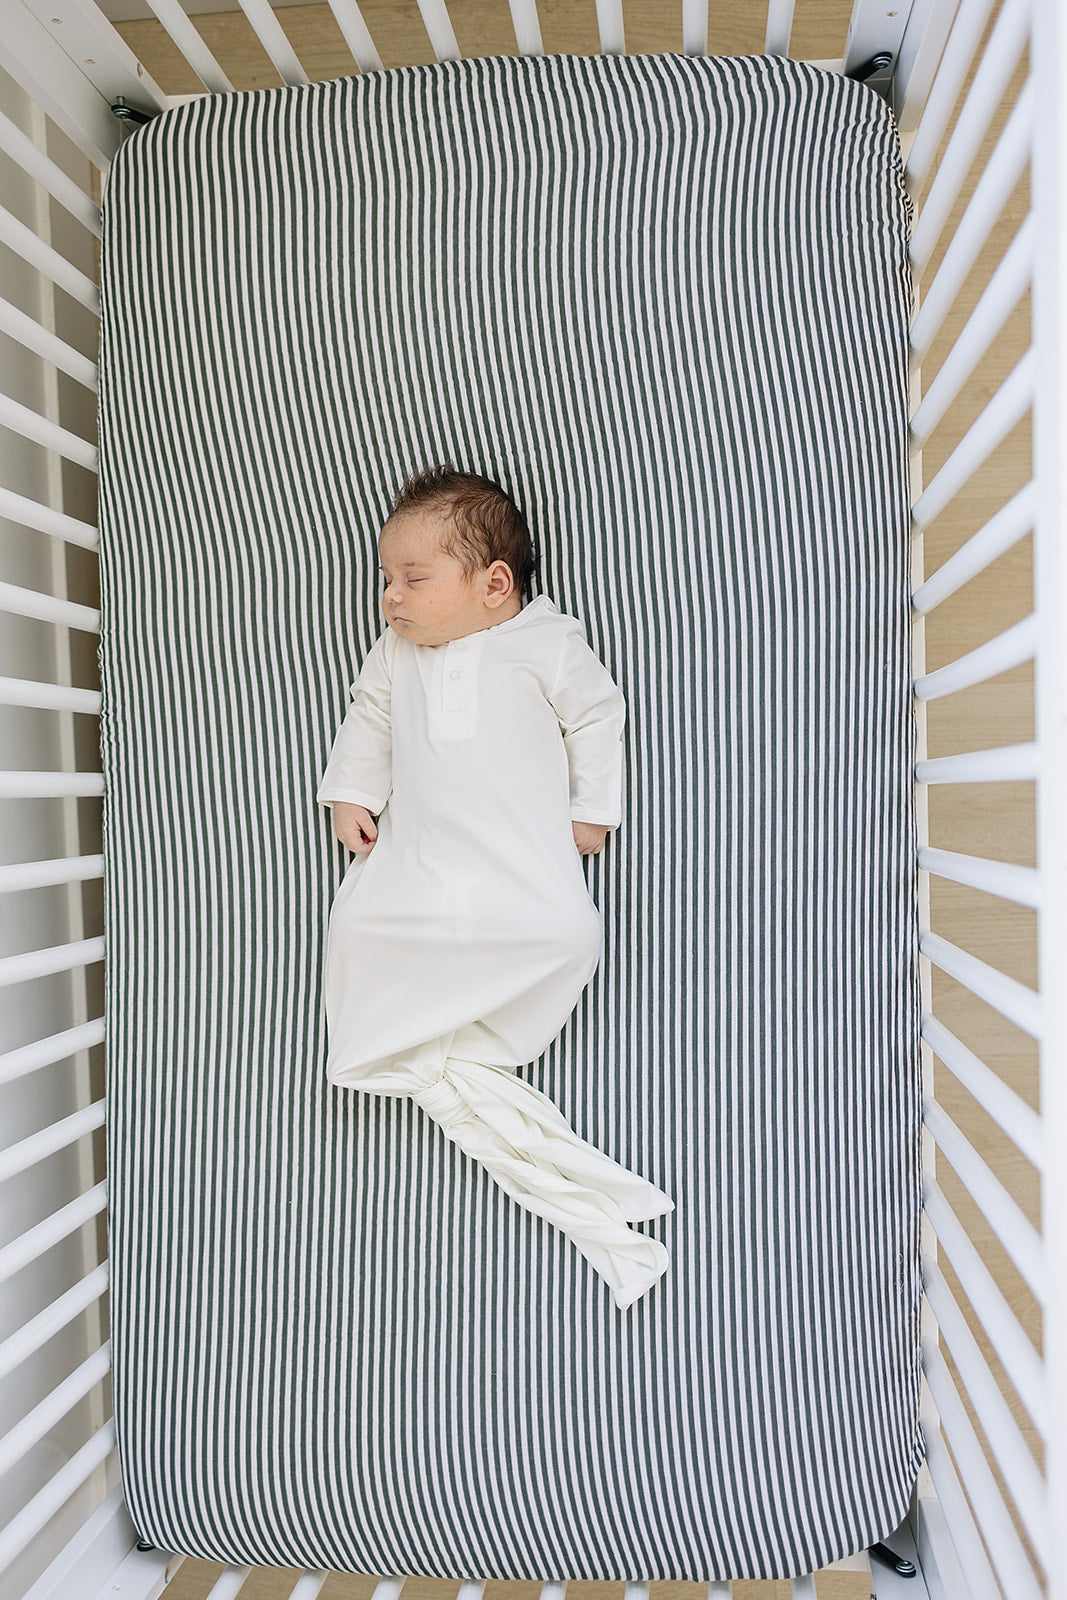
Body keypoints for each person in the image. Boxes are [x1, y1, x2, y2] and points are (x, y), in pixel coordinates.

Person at [317, 464, 673, 1309]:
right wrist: (350, 792)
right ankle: (436, 1051)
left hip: (516, 862)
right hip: (420, 861)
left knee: (569, 936)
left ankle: (463, 1048)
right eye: (385, 579)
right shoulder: (395, 655)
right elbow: (369, 716)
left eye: (412, 579)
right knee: (358, 928)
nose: (390, 599)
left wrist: (593, 809)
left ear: (494, 585)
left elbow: (597, 715)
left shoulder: (545, 643)